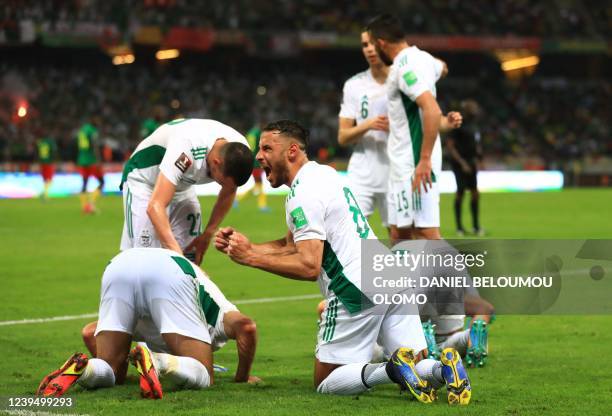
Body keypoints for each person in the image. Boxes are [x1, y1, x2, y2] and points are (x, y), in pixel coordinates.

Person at [215, 120, 472, 405]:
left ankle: (391, 370)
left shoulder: (302, 194)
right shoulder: (324, 175)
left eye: (266, 148)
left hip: (355, 286)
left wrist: (250, 258)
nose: (259, 156)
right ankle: (442, 369)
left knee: (327, 381)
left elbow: (309, 265)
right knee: (418, 361)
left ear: (292, 151)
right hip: (388, 272)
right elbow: (292, 244)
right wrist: (250, 246)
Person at [36, 248, 259, 398]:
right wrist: (242, 378)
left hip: (119, 264)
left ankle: (84, 369)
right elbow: (247, 327)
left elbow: (89, 332)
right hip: (171, 271)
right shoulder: (220, 312)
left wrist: (117, 357)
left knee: (113, 373)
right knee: (204, 375)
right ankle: (158, 363)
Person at [366, 14, 462, 241]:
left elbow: (431, 108)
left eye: (371, 44)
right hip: (401, 163)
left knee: (425, 232)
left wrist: (425, 159)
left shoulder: (403, 68)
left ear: (381, 43)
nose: (371, 50)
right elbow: (443, 68)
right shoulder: (424, 59)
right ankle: (405, 278)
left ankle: (460, 278)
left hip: (414, 164)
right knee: (399, 232)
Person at [119, 118, 252, 264]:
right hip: (145, 182)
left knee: (191, 252)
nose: (224, 187)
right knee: (146, 258)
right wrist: (178, 257)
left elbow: (229, 191)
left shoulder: (240, 150)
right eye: (221, 183)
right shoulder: (188, 148)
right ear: (216, 162)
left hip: (182, 185)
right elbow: (155, 205)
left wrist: (207, 235)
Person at [338, 30, 390, 232]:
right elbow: (343, 137)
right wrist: (368, 125)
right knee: (351, 234)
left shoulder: (402, 81)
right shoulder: (354, 85)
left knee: (400, 240)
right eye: (365, 44)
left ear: (385, 44)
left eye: (373, 43)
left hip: (395, 172)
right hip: (362, 172)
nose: (369, 49)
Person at [446, 99, 484, 236]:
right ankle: (459, 227)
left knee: (475, 193)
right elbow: (450, 147)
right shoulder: (458, 124)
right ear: (467, 110)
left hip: (471, 162)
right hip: (459, 164)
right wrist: (462, 163)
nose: (475, 111)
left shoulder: (474, 125)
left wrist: (479, 159)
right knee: (460, 193)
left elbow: (477, 143)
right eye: (473, 108)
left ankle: (476, 226)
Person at [235, 123, 269, 212]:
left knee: (258, 185)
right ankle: (262, 205)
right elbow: (252, 148)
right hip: (256, 163)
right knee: (259, 184)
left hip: (255, 162)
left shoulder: (253, 133)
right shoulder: (256, 134)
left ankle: (237, 199)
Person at [76, 120, 104, 214]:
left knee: (84, 183)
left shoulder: (82, 130)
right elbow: (94, 145)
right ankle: (91, 205)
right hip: (91, 160)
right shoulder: (92, 131)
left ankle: (85, 207)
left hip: (82, 160)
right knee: (101, 182)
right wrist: (98, 159)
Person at [37, 132, 57, 200]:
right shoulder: (50, 142)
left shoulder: (40, 143)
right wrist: (54, 160)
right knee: (50, 180)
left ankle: (45, 194)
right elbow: (54, 151)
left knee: (45, 180)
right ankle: (44, 194)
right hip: (49, 162)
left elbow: (37, 152)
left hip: (42, 163)